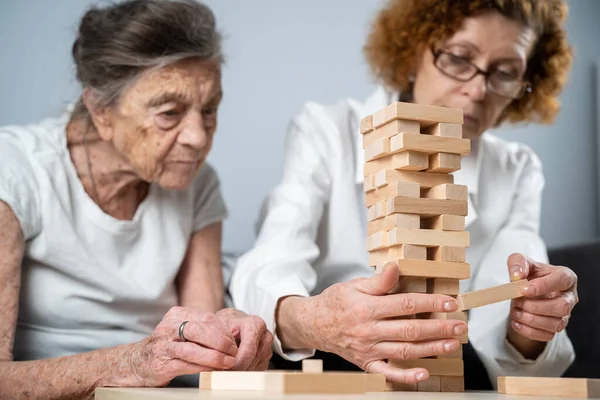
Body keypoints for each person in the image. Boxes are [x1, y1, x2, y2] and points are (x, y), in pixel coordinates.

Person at [231, 0, 579, 388]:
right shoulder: (326, 132)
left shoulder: (517, 170)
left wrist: (531, 321)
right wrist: (316, 321)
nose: (479, 89)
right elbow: (272, 259)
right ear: (413, 52)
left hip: (444, 367)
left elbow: (500, 333)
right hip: (329, 366)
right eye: (460, 58)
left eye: (505, 73)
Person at [0, 1, 272, 398]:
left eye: (209, 109)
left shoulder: (198, 183)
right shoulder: (15, 170)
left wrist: (230, 343)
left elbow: (203, 347)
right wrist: (128, 365)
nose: (198, 137)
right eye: (169, 112)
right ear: (101, 110)